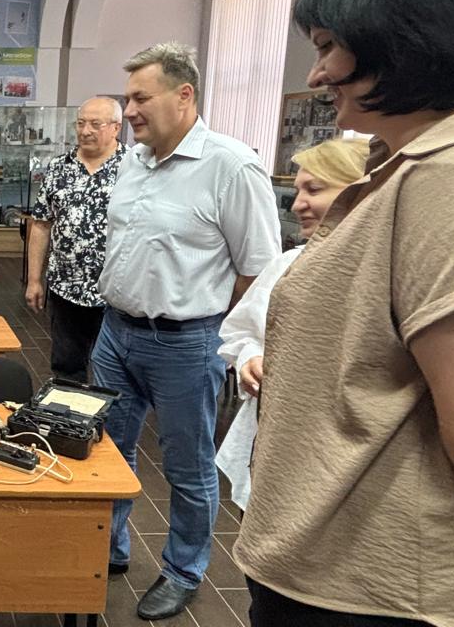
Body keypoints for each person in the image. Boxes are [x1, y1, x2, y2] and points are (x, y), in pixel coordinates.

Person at [236, 0, 454, 626]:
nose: (315, 76)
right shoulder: (422, 164)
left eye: (327, 47)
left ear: (405, 41)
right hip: (343, 575)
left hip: (399, 596)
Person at [91, 43, 280, 620]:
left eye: (140, 98)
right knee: (106, 450)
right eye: (126, 99)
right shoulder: (133, 161)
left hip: (186, 343)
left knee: (187, 466)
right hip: (115, 333)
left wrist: (222, 335)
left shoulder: (232, 167)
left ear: (184, 94)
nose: (128, 111)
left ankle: (183, 570)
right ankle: (109, 548)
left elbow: (259, 271)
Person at [214, 138, 368, 511]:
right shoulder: (289, 265)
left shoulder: (386, 276)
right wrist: (250, 358)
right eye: (298, 190)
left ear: (363, 191)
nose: (297, 204)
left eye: (313, 190)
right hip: (277, 444)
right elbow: (244, 331)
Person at [25, 96, 124, 382]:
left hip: (116, 293)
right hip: (65, 287)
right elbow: (41, 225)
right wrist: (34, 280)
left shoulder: (135, 167)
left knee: (114, 371)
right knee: (66, 367)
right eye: (80, 123)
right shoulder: (59, 167)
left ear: (116, 127)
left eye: (95, 124)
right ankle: (69, 411)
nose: (85, 131)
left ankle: (108, 414)